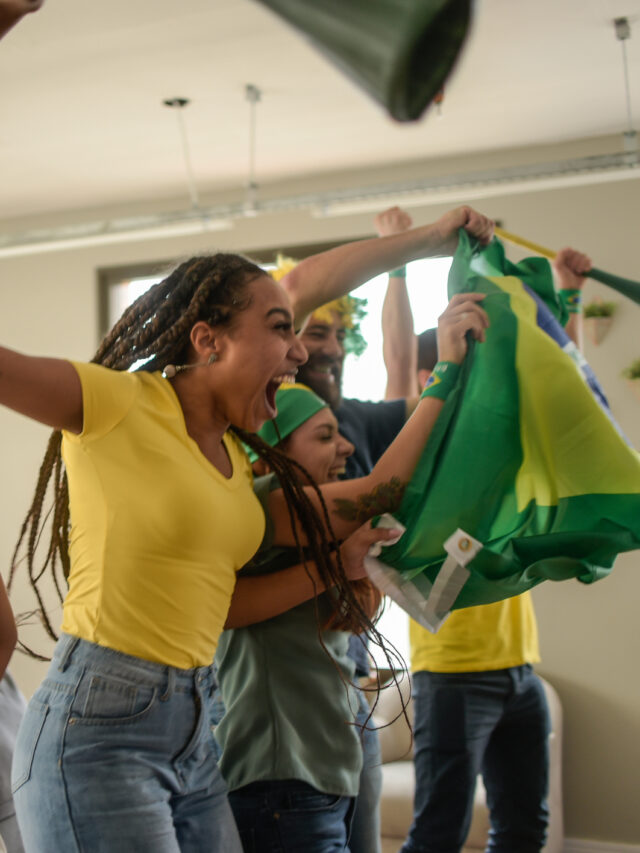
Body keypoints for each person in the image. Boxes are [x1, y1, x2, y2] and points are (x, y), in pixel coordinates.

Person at [4, 244, 488, 851]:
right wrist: (425, 239)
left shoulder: (238, 469)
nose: (300, 351)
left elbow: (375, 494)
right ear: (209, 340)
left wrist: (446, 371)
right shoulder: (120, 403)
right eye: (281, 328)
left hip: (198, 727)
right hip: (99, 727)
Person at [400, 246, 592, 853]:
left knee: (523, 828)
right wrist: (407, 277)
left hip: (521, 672)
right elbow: (404, 364)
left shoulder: (500, 441)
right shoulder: (420, 442)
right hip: (453, 675)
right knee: (439, 832)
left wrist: (569, 297)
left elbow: (567, 390)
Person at [215, 383, 391, 852]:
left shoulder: (315, 539)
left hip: (322, 778)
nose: (348, 447)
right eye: (325, 435)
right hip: (282, 784)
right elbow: (387, 492)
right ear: (275, 453)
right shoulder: (256, 510)